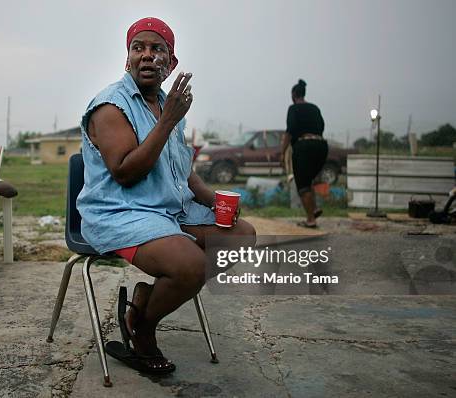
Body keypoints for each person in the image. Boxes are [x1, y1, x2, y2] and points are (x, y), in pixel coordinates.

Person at [77, 17, 256, 374]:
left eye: (156, 49)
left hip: (167, 214)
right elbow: (125, 172)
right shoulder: (111, 106)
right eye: (137, 48)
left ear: (170, 63)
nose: (146, 55)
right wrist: (167, 122)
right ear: (127, 58)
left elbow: (184, 172)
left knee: (241, 236)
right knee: (189, 265)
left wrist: (215, 201)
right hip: (120, 213)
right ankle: (142, 326)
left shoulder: (165, 103)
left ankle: (146, 300)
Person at [280, 79, 328, 228]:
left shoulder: (293, 109)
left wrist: (282, 153)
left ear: (293, 95)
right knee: (308, 181)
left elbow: (290, 131)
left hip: (304, 146)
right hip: (321, 146)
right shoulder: (314, 108)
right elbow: (321, 126)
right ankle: (314, 208)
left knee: (302, 185)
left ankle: (310, 219)